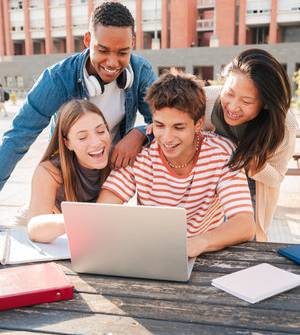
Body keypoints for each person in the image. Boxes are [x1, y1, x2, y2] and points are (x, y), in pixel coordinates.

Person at [0, 1, 156, 191]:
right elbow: (18, 136)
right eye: (103, 50)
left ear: (132, 43)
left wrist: (139, 133)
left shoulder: (142, 73)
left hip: (109, 179)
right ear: (88, 40)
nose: (113, 62)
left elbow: (163, 124)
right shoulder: (57, 79)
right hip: (67, 178)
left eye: (123, 52)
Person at [98, 70, 255, 258]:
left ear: (198, 124)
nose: (167, 138)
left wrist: (198, 243)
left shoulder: (222, 152)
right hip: (151, 254)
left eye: (178, 127)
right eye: (159, 125)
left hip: (206, 255)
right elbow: (102, 212)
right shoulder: (139, 153)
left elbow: (245, 224)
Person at [202, 48, 297, 241]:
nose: (233, 107)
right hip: (210, 174)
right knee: (207, 237)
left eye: (246, 101)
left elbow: (277, 177)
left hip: (251, 182)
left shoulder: (283, 124)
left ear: (265, 103)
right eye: (229, 93)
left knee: (247, 239)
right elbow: (167, 121)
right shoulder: (206, 100)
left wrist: (254, 162)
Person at [28, 99, 111, 243]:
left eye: (101, 131)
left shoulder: (117, 159)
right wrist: (78, 218)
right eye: (82, 137)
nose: (96, 142)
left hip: (80, 229)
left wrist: (140, 132)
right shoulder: (49, 172)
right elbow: (34, 229)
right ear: (68, 143)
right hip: (45, 216)